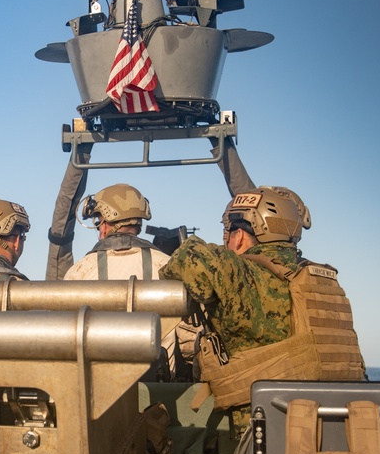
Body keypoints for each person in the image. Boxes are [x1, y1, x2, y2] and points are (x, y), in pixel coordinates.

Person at [160, 186, 364, 439]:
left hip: (261, 439)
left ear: (240, 236)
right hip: (339, 431)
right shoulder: (325, 283)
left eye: (230, 231)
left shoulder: (239, 274)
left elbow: (186, 259)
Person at [64, 183, 170, 281]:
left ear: (104, 226)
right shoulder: (166, 265)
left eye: (99, 223)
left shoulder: (80, 271)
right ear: (139, 225)